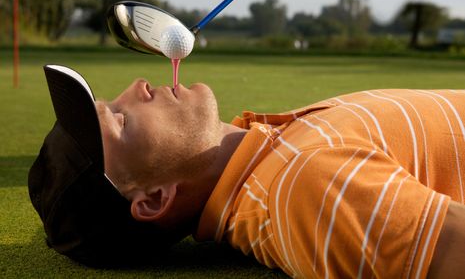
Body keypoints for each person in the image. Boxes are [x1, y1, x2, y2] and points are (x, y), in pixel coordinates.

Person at [29, 64, 465, 278]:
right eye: (121, 121)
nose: (136, 87)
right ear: (156, 198)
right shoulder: (306, 187)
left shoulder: (266, 154)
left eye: (113, 101)